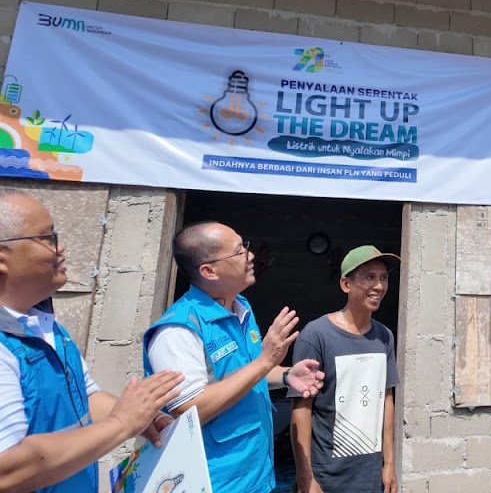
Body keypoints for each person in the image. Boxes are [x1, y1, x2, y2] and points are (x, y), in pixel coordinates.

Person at [0, 189, 184, 493]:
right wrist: (121, 424)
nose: (61, 248)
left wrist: (141, 416)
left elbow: (86, 398)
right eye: (46, 238)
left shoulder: (46, 326)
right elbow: (6, 469)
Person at [143, 221, 325, 493]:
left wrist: (286, 375)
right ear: (209, 271)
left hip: (256, 475)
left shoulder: (240, 307)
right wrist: (266, 361)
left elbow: (246, 372)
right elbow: (189, 410)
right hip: (214, 482)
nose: (250, 256)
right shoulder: (177, 330)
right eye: (240, 251)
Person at [291, 245, 401, 493]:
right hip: (326, 476)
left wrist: (389, 463)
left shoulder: (384, 336)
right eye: (369, 277)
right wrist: (305, 477)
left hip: (370, 475)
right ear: (345, 284)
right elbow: (302, 409)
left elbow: (386, 399)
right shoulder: (316, 335)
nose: (379, 286)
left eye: (384, 278)